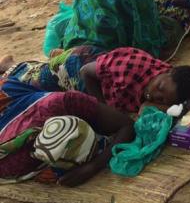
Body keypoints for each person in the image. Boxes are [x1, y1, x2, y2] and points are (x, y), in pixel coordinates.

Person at [0, 77, 134, 185]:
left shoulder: (65, 102)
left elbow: (127, 125)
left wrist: (94, 166)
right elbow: (126, 125)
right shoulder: (12, 162)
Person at [0, 46, 190, 114]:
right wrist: (101, 106)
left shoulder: (169, 83)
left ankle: (19, 63)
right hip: (78, 68)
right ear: (168, 70)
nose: (154, 94)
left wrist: (158, 104)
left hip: (98, 65)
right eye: (160, 87)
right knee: (32, 82)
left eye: (162, 99)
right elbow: (86, 71)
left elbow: (156, 104)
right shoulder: (130, 70)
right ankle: (9, 66)